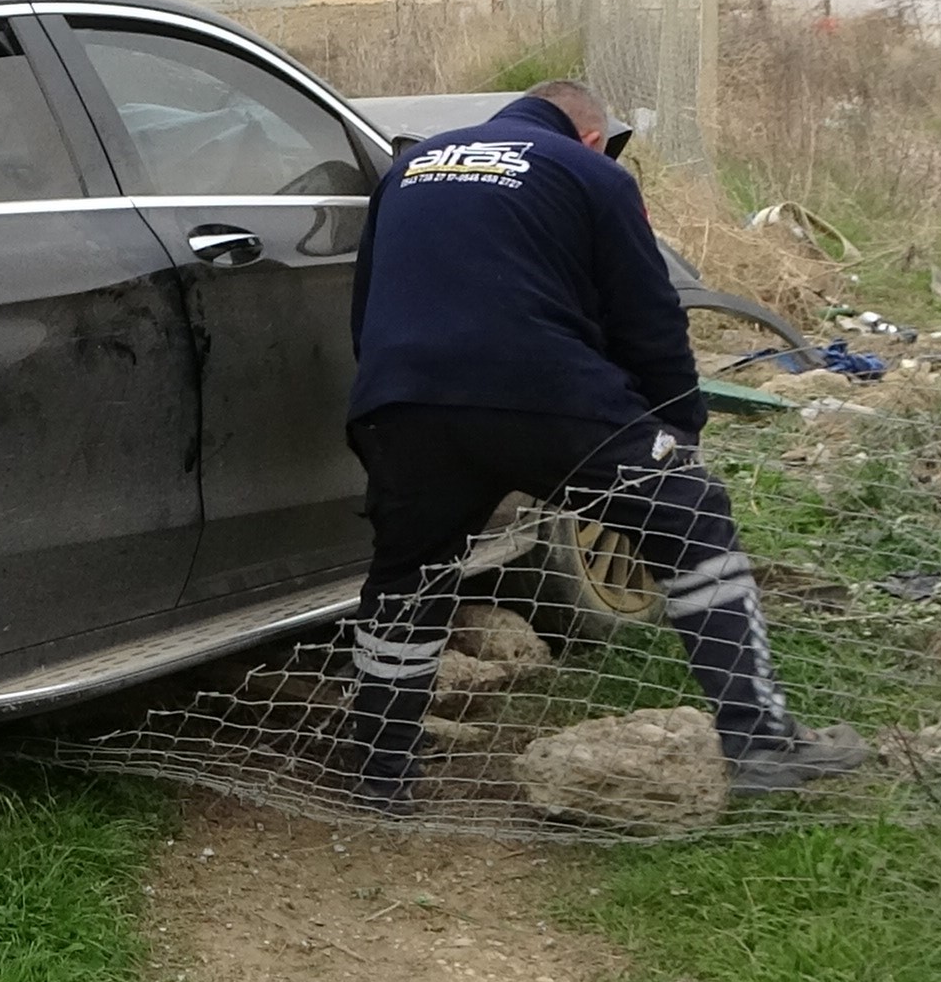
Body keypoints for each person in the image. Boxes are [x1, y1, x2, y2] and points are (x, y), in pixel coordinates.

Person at [338, 80, 867, 804]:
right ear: (592, 135)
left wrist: (399, 406)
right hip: (543, 395)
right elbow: (650, 321)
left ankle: (379, 767)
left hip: (402, 401)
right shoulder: (593, 175)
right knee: (694, 518)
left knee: (413, 574)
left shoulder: (410, 166)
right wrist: (679, 432)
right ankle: (760, 740)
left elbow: (367, 308)